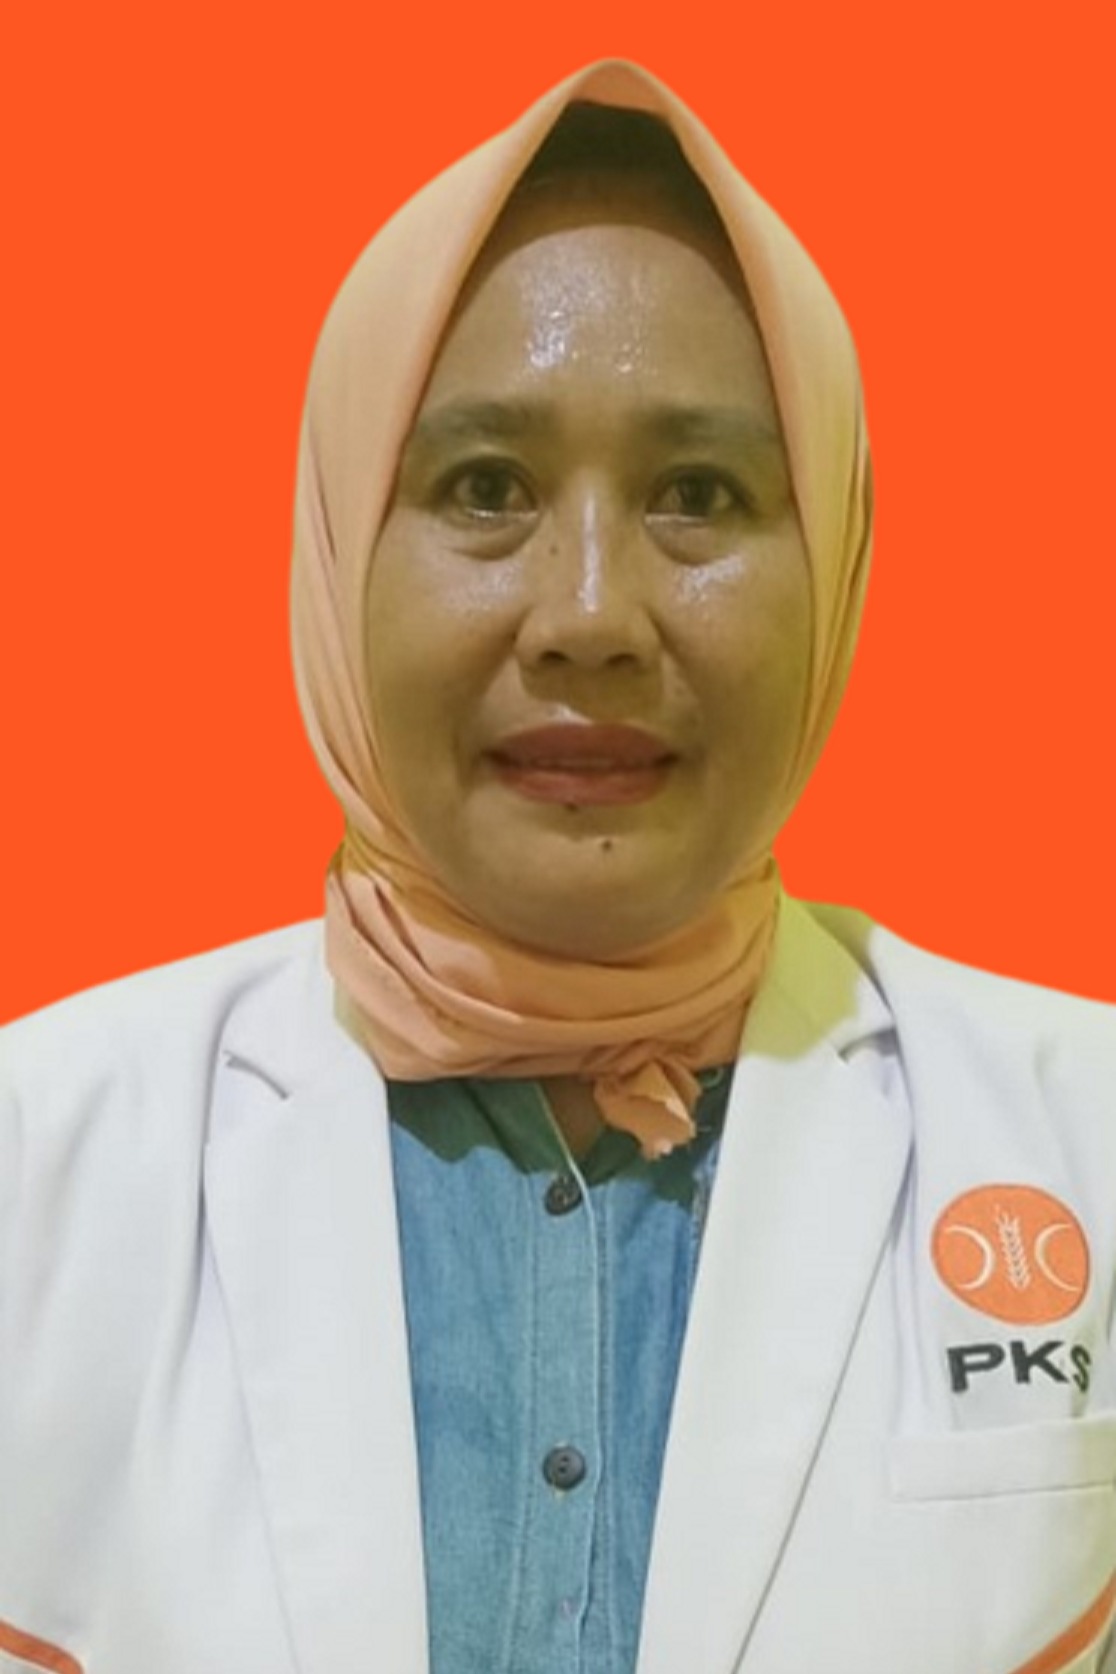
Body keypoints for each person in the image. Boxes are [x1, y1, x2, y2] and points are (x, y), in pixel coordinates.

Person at [1, 56, 1114, 1674]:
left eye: (698, 494)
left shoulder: (1087, 1130)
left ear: (837, 553)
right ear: (340, 547)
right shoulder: (34, 1159)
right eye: (486, 488)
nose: (590, 613)